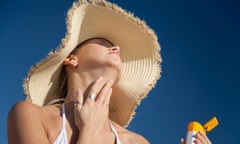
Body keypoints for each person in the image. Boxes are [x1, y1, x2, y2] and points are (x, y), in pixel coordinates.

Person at [7, 0, 212, 144]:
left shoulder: (136, 142)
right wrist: (89, 132)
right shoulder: (30, 115)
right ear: (71, 59)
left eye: (116, 49)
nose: (117, 49)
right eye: (103, 43)